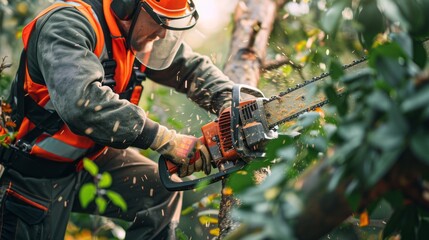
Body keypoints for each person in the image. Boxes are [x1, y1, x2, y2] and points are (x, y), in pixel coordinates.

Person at [0, 0, 235, 239]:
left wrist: (229, 100)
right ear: (127, 5)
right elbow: (82, 103)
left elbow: (191, 69)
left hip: (89, 160)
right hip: (34, 171)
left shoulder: (139, 36)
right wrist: (165, 139)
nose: (163, 32)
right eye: (159, 21)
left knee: (162, 191)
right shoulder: (67, 25)